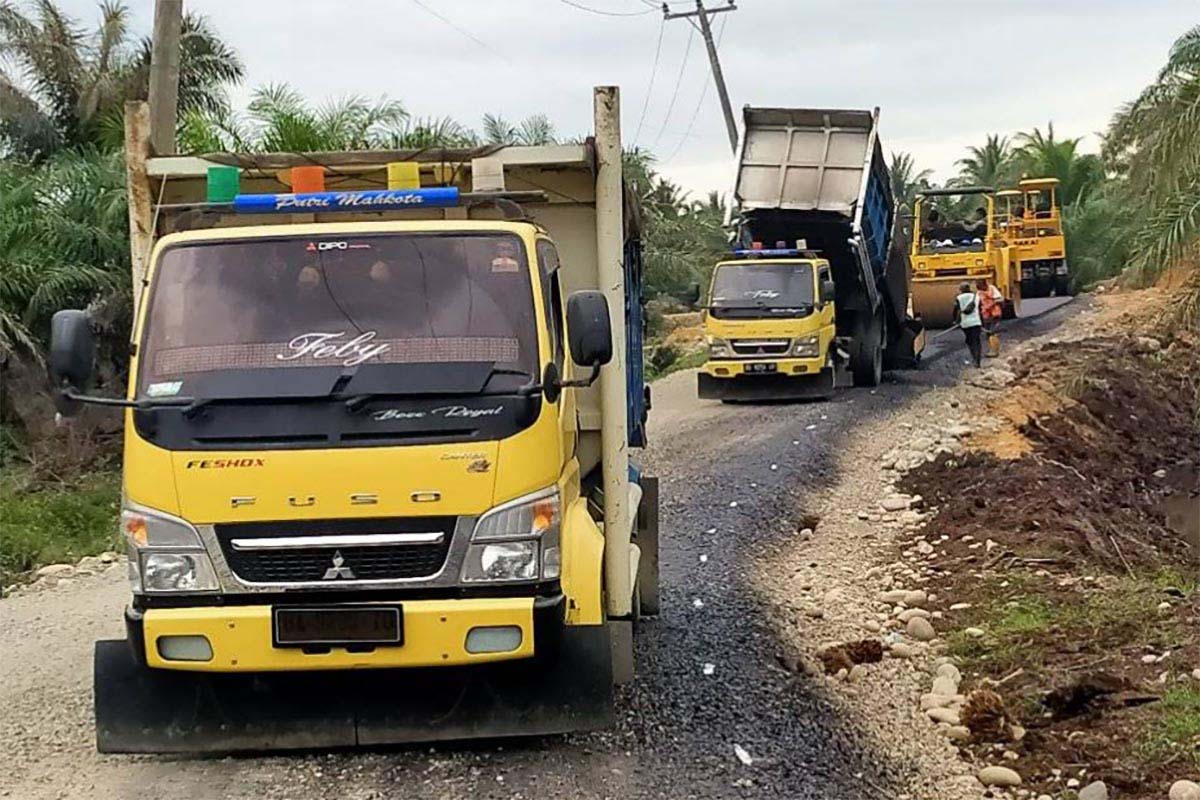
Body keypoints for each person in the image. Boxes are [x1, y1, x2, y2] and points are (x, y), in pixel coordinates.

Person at [952, 281, 983, 367]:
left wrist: (955, 321)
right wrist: (982, 323)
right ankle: (977, 361)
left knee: (969, 341)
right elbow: (980, 310)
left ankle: (974, 358)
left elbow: (956, 310)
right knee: (976, 341)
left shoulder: (959, 298)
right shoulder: (976, 297)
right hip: (976, 322)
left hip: (965, 323)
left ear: (961, 289)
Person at [976, 278, 1004, 357]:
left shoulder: (992, 289)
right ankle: (993, 349)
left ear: (985, 284)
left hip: (995, 313)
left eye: (980, 286)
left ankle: (995, 351)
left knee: (991, 332)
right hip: (986, 315)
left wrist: (992, 303)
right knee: (988, 333)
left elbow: (1001, 299)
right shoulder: (979, 293)